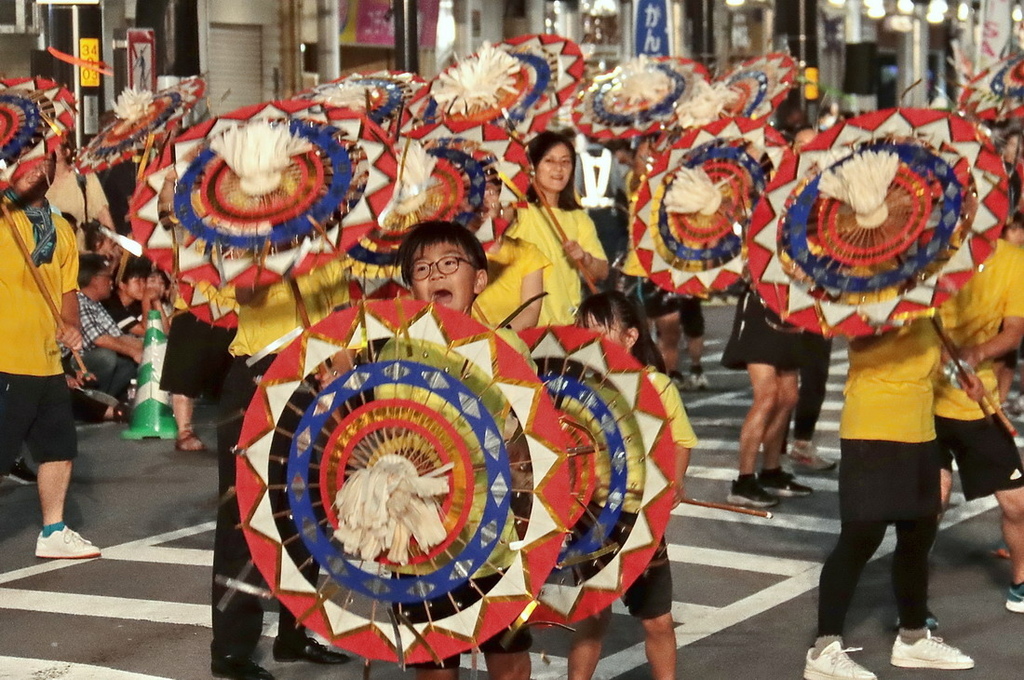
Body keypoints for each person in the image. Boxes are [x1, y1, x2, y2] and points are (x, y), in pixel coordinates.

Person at [396, 220, 530, 680]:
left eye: (449, 263)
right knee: (435, 664)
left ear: (478, 279)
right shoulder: (395, 354)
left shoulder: (507, 350)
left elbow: (529, 445)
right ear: (410, 287)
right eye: (421, 268)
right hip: (420, 537)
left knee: (509, 661)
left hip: (494, 535)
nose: (435, 275)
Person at [803, 320, 974, 680]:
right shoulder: (864, 294)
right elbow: (857, 337)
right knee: (861, 536)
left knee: (919, 533)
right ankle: (824, 649)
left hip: (921, 430)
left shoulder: (925, 298)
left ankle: (912, 638)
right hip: (872, 426)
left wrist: (959, 374)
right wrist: (895, 315)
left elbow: (934, 356)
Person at [211, 261, 350, 680]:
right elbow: (246, 293)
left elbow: (341, 322)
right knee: (244, 514)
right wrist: (280, 256)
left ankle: (295, 631)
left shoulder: (329, 251)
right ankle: (231, 649)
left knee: (307, 511)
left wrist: (344, 383)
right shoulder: (249, 241)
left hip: (315, 382)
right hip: (259, 378)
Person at [568, 290, 698, 680]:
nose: (589, 341)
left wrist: (675, 482)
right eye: (582, 333)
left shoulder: (656, 384)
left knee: (657, 619)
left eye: (600, 332)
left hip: (641, 523)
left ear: (630, 338)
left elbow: (682, 441)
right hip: (591, 521)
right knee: (591, 615)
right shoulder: (571, 384)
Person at [0, 152, 100, 560]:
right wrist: (11, 191)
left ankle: (54, 530)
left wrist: (69, 324)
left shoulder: (60, 226)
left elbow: (66, 290)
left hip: (46, 358)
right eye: (29, 161)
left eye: (48, 161)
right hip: (6, 355)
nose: (40, 167)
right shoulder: (4, 214)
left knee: (58, 448)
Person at [933, 231, 1024, 613]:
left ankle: (1021, 582)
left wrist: (976, 353)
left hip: (978, 401)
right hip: (925, 401)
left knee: (1018, 504)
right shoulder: (933, 252)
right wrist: (938, 354)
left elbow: (1015, 328)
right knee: (930, 504)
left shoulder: (1013, 260)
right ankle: (911, 600)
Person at [619, 137, 709, 389]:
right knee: (637, 335)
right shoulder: (635, 184)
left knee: (670, 332)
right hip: (638, 270)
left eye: (655, 157)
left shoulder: (679, 188)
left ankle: (667, 385)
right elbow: (637, 177)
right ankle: (637, 385)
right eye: (644, 158)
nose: (649, 162)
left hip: (668, 269)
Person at [721, 286, 811, 507]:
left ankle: (771, 471)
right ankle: (744, 481)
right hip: (761, 304)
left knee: (789, 397)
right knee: (767, 395)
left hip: (790, 304)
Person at [508, 130, 608, 325]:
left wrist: (584, 258)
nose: (558, 169)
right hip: (523, 325)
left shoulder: (579, 218)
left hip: (566, 325)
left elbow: (602, 272)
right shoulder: (520, 210)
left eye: (565, 162)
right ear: (533, 166)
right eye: (549, 161)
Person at [470, 178, 549, 331]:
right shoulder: (456, 253)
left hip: (510, 344)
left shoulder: (527, 253)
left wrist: (498, 336)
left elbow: (531, 310)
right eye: (476, 191)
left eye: (490, 191)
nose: (483, 198)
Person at [74, 253, 143, 403]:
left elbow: (118, 336)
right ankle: (89, 403)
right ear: (94, 279)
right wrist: (133, 352)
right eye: (107, 277)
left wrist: (146, 349)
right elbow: (98, 339)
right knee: (107, 357)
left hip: (92, 359)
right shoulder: (78, 301)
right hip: (74, 363)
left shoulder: (96, 304)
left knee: (129, 362)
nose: (111, 282)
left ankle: (105, 401)